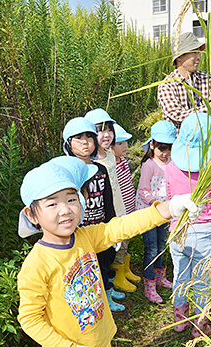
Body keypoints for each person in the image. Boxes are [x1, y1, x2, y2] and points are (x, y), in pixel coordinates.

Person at [17, 157, 202, 347]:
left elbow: (123, 227)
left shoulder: (85, 236)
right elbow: (30, 318)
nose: (65, 210)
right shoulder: (37, 264)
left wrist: (168, 208)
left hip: (96, 343)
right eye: (52, 204)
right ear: (32, 214)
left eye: (71, 199)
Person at [165, 112, 211, 338]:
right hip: (202, 230)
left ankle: (180, 321)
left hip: (177, 229)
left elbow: (170, 195)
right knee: (202, 279)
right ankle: (200, 326)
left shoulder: (171, 166)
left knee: (181, 275)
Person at [62, 117, 126, 312]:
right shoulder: (66, 171)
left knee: (104, 262)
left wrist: (113, 226)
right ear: (68, 143)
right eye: (78, 138)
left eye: (89, 138)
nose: (85, 142)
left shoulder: (100, 169)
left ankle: (106, 298)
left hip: (100, 227)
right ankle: (89, 303)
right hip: (79, 232)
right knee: (84, 269)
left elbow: (108, 200)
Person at [85, 108, 141, 294]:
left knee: (113, 251)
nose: (106, 134)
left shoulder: (110, 156)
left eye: (109, 129)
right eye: (100, 130)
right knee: (102, 255)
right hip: (101, 216)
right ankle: (104, 292)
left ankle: (109, 287)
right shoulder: (90, 162)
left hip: (118, 209)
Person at [136, 120, 176, 304]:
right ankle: (149, 285)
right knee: (151, 248)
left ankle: (160, 277)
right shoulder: (149, 165)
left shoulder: (171, 162)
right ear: (152, 145)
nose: (165, 153)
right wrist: (155, 203)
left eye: (168, 148)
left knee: (161, 245)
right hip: (149, 212)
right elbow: (143, 190)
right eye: (161, 148)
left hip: (165, 212)